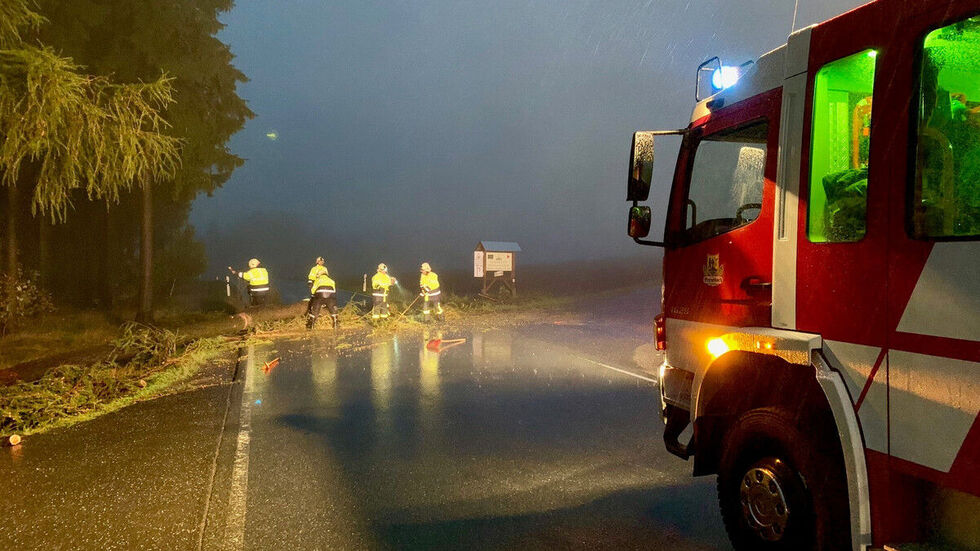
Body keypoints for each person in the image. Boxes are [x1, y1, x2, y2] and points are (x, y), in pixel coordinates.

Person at [306, 257, 338, 330]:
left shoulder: (325, 269)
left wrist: (313, 294)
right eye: (320, 261)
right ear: (317, 261)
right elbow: (311, 278)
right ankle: (336, 322)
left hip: (319, 287)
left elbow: (313, 289)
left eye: (322, 261)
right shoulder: (314, 269)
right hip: (329, 291)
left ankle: (311, 324)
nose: (322, 262)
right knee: (332, 305)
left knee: (315, 305)